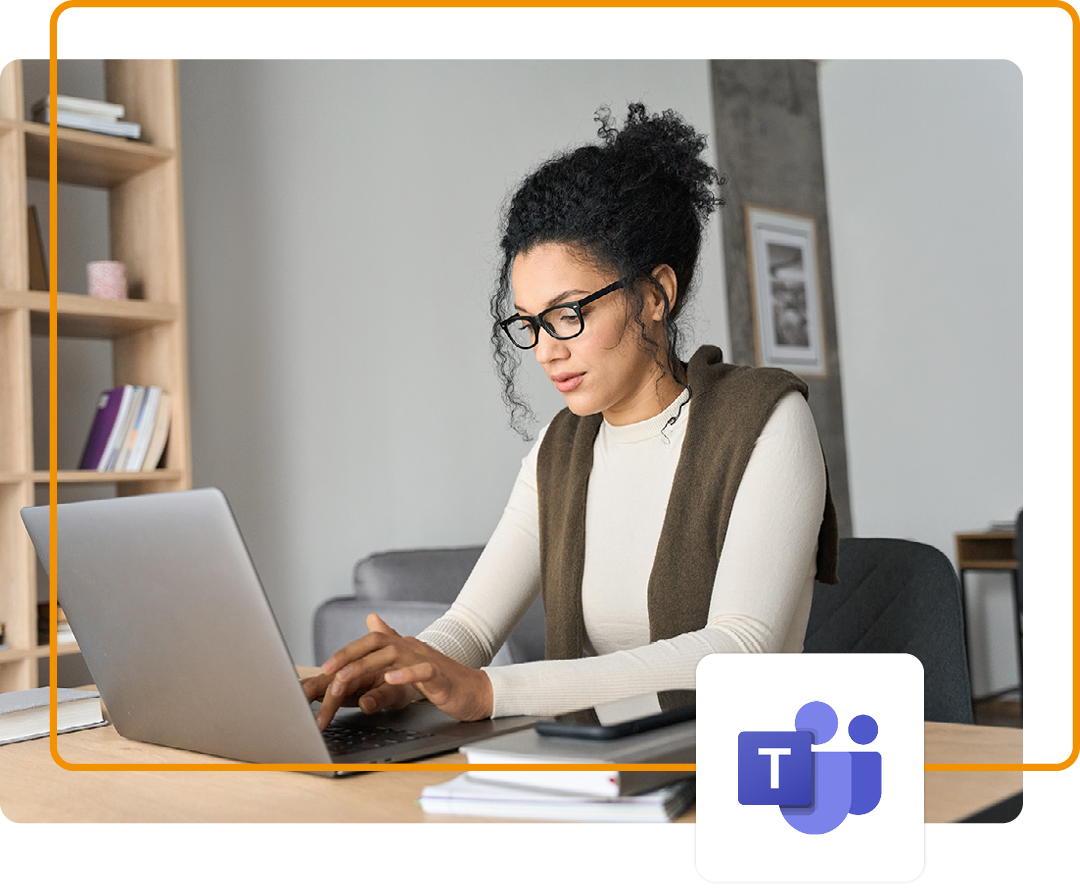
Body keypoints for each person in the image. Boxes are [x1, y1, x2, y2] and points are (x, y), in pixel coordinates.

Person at [304, 103, 838, 729]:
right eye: (530, 323)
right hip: (602, 761)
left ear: (654, 294)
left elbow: (741, 648)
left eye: (568, 313)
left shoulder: (764, 420)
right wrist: (410, 671)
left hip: (742, 761)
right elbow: (473, 626)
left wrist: (491, 693)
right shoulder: (561, 449)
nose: (548, 349)